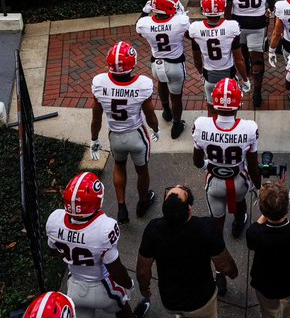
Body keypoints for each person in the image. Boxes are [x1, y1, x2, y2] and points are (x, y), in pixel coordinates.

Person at [46, 172, 152, 318]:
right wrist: (128, 284)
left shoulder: (54, 220)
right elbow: (115, 270)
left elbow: (53, 251)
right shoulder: (105, 227)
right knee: (122, 307)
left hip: (74, 288)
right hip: (102, 288)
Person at [137, 185, 238, 317]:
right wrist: (233, 273)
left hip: (171, 300)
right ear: (189, 209)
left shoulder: (153, 230)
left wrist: (144, 288)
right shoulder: (206, 228)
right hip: (201, 301)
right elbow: (226, 266)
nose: (179, 186)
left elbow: (143, 271)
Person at [90, 42, 160, 225]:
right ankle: (143, 201)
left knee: (119, 166)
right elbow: (150, 115)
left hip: (115, 135)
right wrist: (156, 129)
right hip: (136, 135)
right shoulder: (142, 84)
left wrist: (94, 139)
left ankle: (121, 207)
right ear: (133, 64)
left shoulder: (99, 83)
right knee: (142, 170)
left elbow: (96, 118)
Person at [192, 78, 262, 238]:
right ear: (238, 104)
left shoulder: (201, 124)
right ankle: (238, 224)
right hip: (239, 179)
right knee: (240, 203)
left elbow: (197, 162)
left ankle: (218, 246)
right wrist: (258, 187)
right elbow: (252, 166)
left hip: (214, 182)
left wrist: (208, 165)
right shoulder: (249, 128)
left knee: (216, 222)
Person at [246, 180, 290, 318]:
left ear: (263, 211)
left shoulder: (255, 234)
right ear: (287, 208)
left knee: (269, 310)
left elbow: (255, 231)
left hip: (265, 284)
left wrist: (267, 211)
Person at [135, 0, 191, 138]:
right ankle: (177, 124)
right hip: (175, 65)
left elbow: (138, 28)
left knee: (161, 82)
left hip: (156, 64)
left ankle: (166, 111)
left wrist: (144, 11)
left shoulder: (145, 23)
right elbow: (190, 34)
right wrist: (180, 13)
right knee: (176, 96)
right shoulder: (180, 22)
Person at [223, 0, 273, 108]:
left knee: (242, 52)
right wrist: (269, 10)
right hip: (257, 22)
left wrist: (227, 22)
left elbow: (228, 4)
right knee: (257, 57)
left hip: (239, 22)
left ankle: (246, 74)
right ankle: (257, 92)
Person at [189, 0, 248, 94]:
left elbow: (197, 60)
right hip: (228, 74)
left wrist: (201, 74)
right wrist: (245, 79)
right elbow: (239, 60)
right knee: (230, 107)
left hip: (209, 75)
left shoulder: (195, 28)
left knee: (211, 109)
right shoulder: (231, 26)